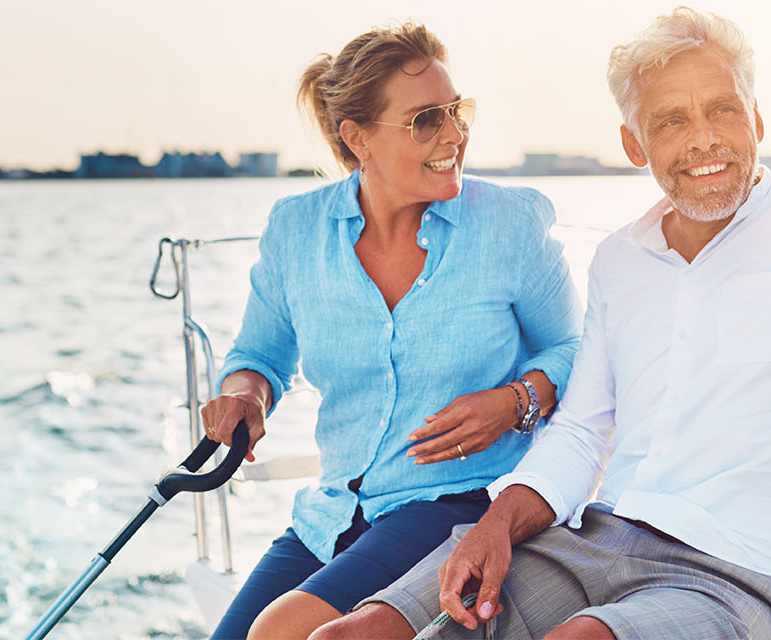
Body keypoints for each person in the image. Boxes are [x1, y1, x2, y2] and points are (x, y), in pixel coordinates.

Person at [314, 7, 771, 640]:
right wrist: (497, 522)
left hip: (748, 573)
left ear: (756, 118)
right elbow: (581, 429)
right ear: (635, 145)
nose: (704, 140)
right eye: (671, 119)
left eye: (723, 109)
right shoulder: (619, 262)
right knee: (356, 631)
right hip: (593, 540)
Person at [197, 21, 581, 640]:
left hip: (456, 503)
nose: (454, 134)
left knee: (279, 633)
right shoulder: (297, 230)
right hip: (332, 513)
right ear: (358, 138)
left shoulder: (509, 225)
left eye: (457, 112)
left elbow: (575, 348)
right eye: (426, 118)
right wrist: (245, 394)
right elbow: (260, 355)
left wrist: (515, 402)